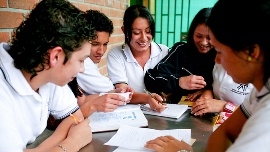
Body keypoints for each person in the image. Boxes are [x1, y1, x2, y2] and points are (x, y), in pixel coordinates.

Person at [145, 0, 270, 151]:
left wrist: (182, 151)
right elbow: (225, 133)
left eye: (219, 52)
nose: (216, 61)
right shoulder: (260, 91)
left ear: (251, 53)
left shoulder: (265, 122)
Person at [0, 0, 96, 151]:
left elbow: (75, 117)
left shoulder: (48, 74)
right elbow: (76, 132)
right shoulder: (2, 93)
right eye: (81, 60)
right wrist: (72, 143)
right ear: (56, 56)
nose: (82, 69)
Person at [144, 8, 216, 104]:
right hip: (177, 112)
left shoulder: (223, 56)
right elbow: (151, 78)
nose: (203, 42)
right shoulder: (181, 51)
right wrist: (179, 82)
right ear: (192, 33)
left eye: (209, 38)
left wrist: (209, 91)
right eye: (198, 36)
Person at [107, 4, 169, 112]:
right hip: (131, 116)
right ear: (124, 30)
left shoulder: (165, 52)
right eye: (136, 32)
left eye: (148, 31)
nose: (144, 38)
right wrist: (147, 98)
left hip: (164, 113)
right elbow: (123, 94)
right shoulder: (116, 55)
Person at [69, 10, 130, 114]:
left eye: (105, 44)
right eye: (95, 44)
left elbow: (82, 99)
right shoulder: (81, 64)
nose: (101, 51)